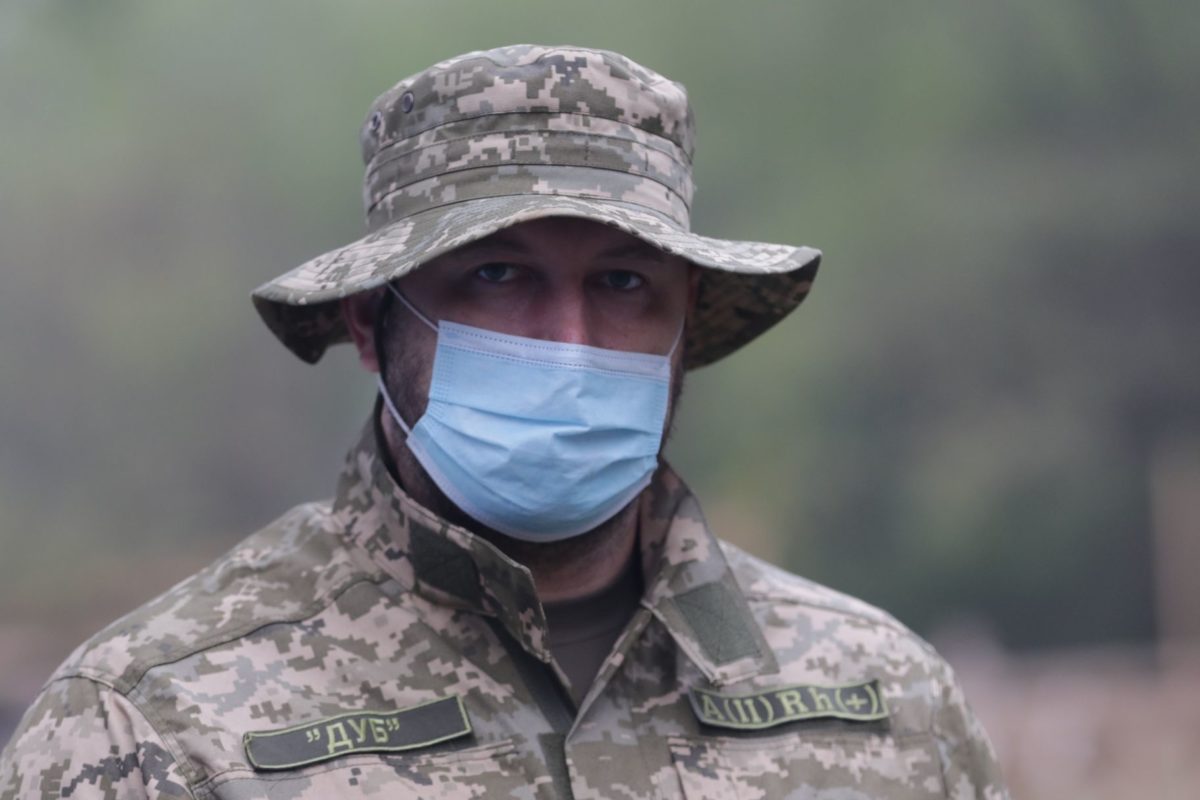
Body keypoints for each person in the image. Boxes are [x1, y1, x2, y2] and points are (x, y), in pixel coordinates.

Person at [0, 45, 1008, 799]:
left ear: (684, 324)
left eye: (622, 282)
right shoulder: (156, 725)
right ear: (372, 321)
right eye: (497, 274)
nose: (569, 343)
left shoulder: (887, 702)